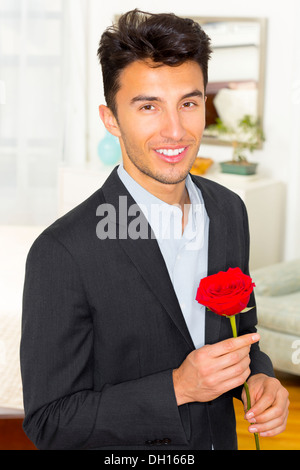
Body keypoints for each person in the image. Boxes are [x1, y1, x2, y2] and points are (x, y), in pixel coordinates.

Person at [20, 9, 289, 450]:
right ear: (111, 120)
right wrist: (179, 388)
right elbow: (50, 422)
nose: (175, 130)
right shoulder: (62, 251)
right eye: (148, 106)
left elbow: (242, 334)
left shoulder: (228, 211)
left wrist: (259, 378)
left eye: (189, 103)